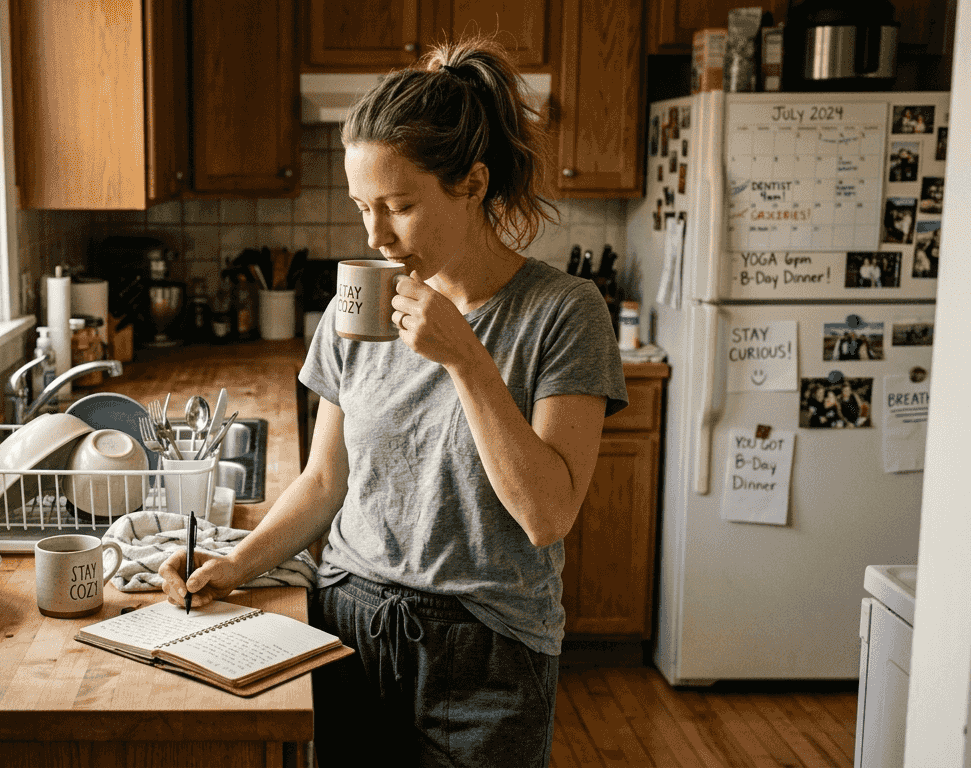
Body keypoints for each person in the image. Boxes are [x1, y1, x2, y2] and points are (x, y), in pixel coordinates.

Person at [158, 35, 627, 768]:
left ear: (472, 184)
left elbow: (546, 515)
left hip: (490, 652)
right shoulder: (360, 305)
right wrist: (235, 563)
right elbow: (324, 481)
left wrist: (467, 358)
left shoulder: (564, 313)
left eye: (400, 207)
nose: (375, 235)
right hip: (350, 626)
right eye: (361, 207)